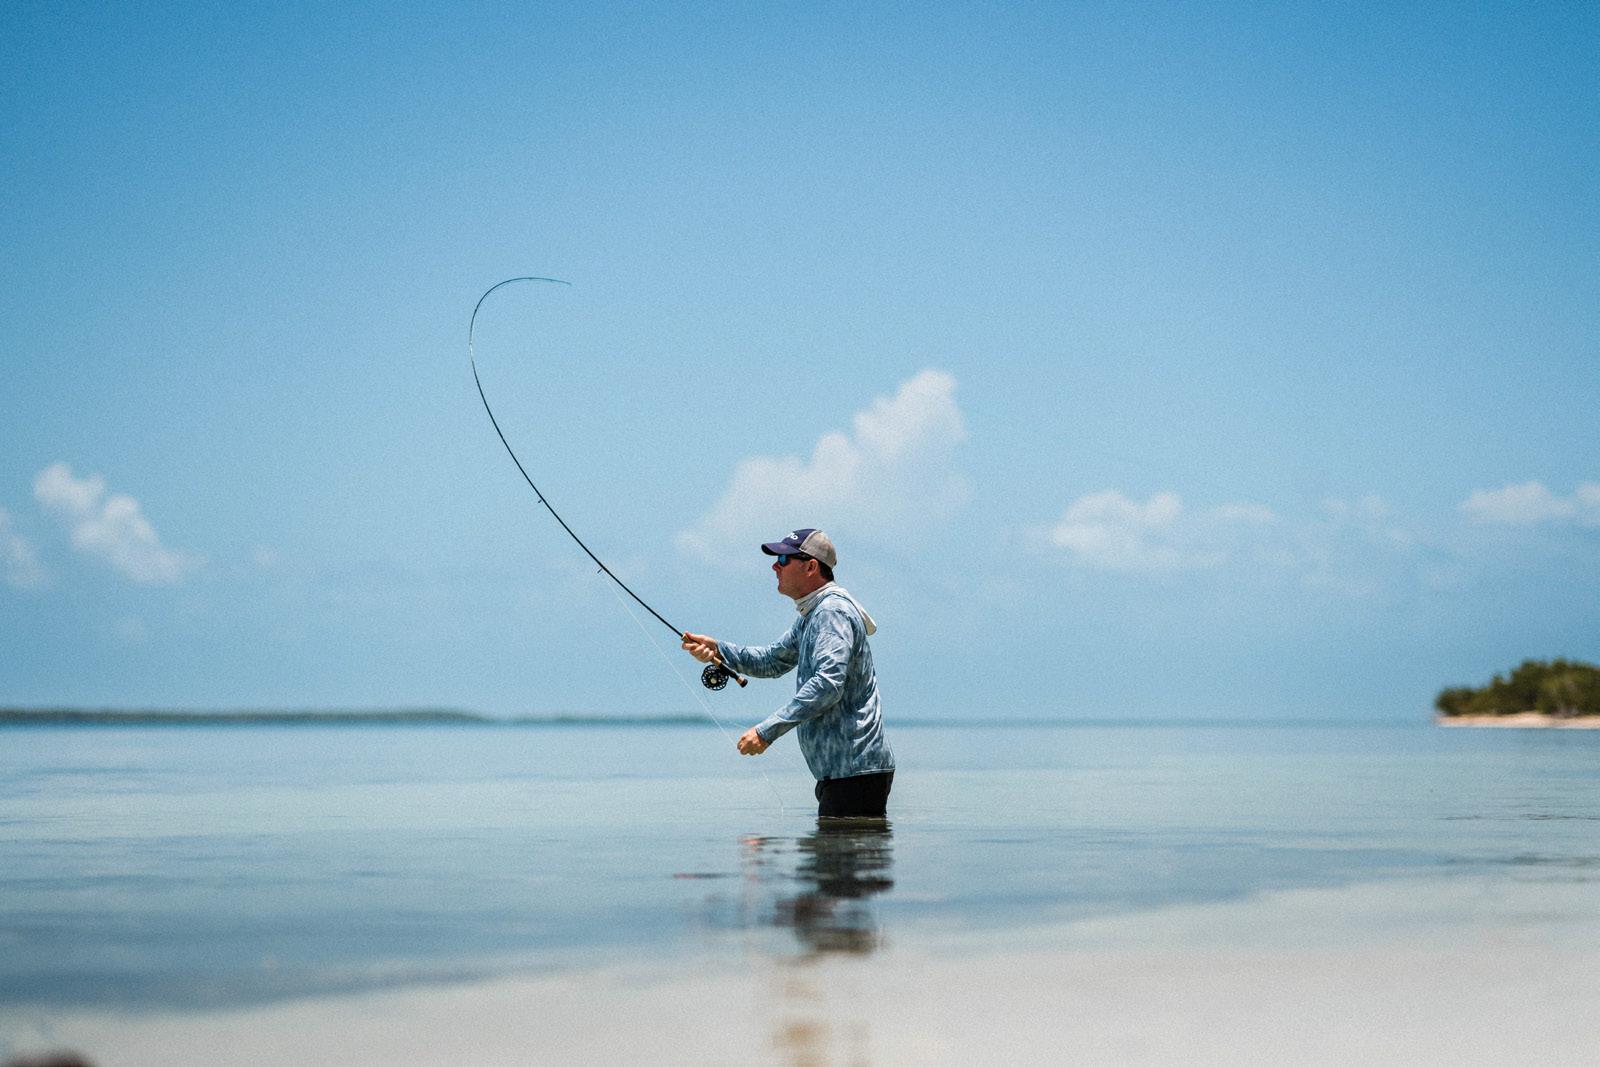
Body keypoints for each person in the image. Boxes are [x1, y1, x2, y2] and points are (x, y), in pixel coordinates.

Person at [681, 528, 895, 818]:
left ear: (811, 567)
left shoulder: (831, 613)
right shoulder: (812, 615)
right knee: (835, 848)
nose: (775, 566)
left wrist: (766, 732)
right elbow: (772, 660)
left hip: (855, 771)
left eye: (783, 559)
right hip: (844, 773)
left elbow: (827, 685)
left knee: (839, 848)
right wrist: (718, 650)